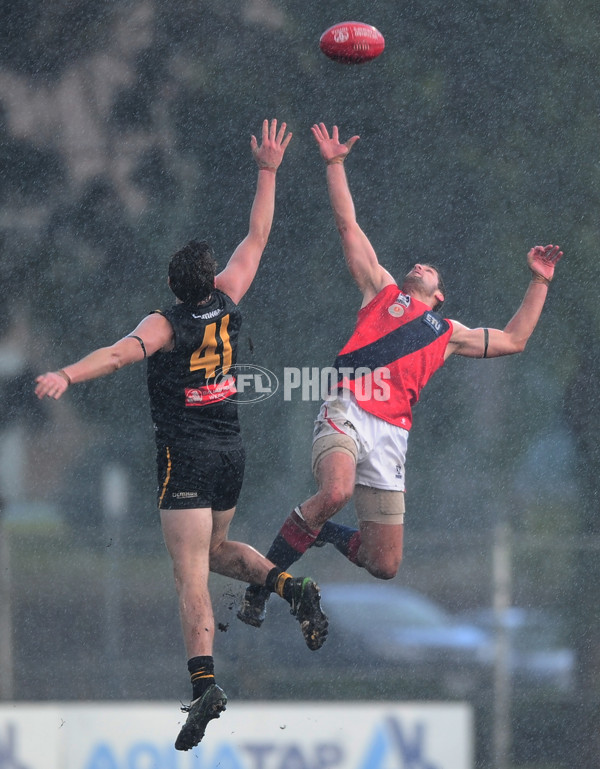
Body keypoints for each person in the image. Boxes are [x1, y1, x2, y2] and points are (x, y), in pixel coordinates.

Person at [35, 119, 328, 752]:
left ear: (172, 287)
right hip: (231, 452)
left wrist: (65, 373)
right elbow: (258, 235)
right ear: (210, 277)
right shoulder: (229, 297)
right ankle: (291, 585)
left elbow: (117, 356)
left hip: (187, 455)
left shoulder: (166, 324)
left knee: (189, 578)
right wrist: (269, 170)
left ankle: (202, 688)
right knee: (220, 554)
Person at [237, 122, 563, 628]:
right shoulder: (383, 291)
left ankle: (319, 531)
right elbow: (348, 226)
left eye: (430, 268)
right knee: (336, 493)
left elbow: (514, 340)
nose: (419, 264)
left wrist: (539, 282)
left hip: (392, 435)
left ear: (441, 295)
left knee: (384, 563)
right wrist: (334, 163)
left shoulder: (448, 331)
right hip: (347, 407)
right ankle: (264, 582)